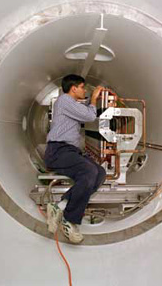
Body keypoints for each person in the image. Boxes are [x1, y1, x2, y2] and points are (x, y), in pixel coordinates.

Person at [44, 74, 106, 243]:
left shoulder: (69, 103)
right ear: (73, 88)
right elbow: (89, 116)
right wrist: (93, 99)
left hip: (69, 151)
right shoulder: (64, 101)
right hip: (58, 151)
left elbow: (83, 111)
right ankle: (69, 220)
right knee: (89, 171)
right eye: (82, 87)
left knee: (99, 173)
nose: (84, 90)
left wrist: (91, 102)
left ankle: (59, 207)